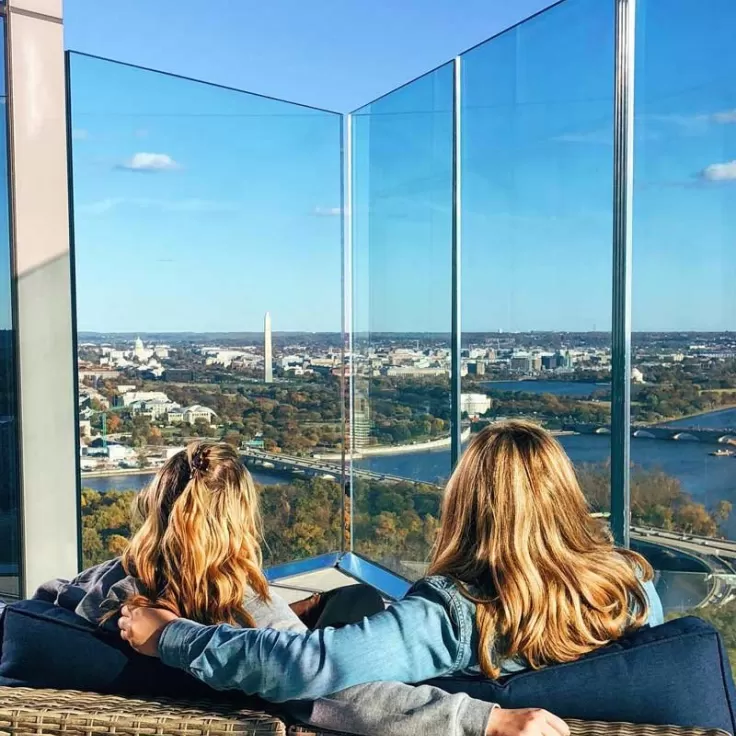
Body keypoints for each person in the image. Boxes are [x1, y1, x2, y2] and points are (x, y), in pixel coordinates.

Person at [120, 423, 664, 717]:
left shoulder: (452, 616)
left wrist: (172, 635)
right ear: (564, 497)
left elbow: (308, 669)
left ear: (467, 506)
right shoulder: (634, 589)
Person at [35, 441, 561, 736]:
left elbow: (39, 610)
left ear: (154, 506)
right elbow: (331, 687)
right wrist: (478, 719)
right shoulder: (248, 606)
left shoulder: (104, 586)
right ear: (242, 519)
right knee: (354, 603)